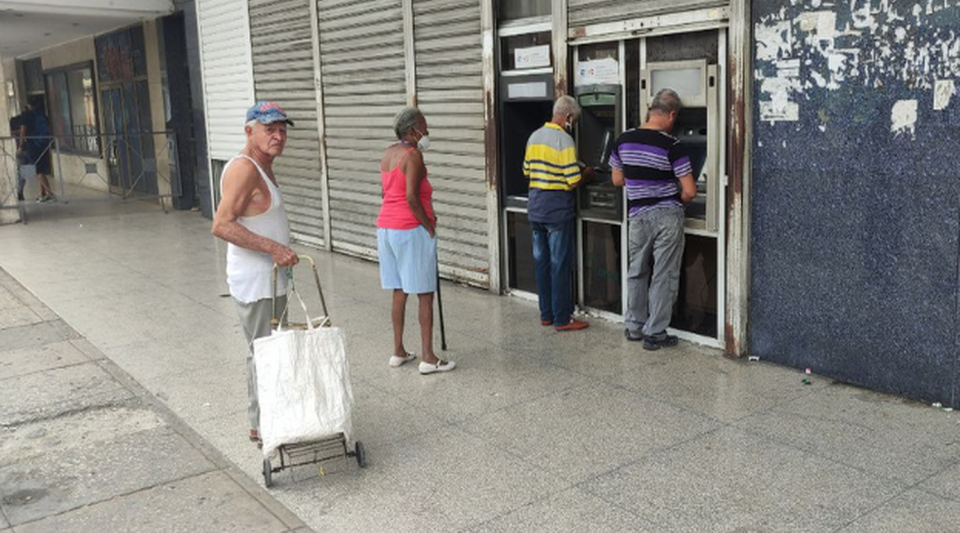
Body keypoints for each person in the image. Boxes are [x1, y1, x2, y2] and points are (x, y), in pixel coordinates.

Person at [211, 101, 299, 443]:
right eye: (269, 130)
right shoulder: (244, 169)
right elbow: (221, 225)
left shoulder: (262, 166)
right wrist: (275, 248)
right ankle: (262, 425)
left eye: (282, 129)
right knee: (263, 351)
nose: (278, 136)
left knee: (271, 349)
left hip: (271, 280)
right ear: (250, 131)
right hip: (257, 282)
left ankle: (270, 417)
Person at [611, 89, 697, 351]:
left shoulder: (622, 140)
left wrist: (641, 183)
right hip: (666, 215)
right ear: (671, 115)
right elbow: (691, 191)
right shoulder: (673, 145)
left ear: (651, 110)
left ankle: (634, 326)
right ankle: (655, 332)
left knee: (636, 271)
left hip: (637, 215)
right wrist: (675, 198)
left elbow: (617, 180)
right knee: (663, 274)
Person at [377, 107, 455, 375]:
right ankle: (429, 358)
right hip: (410, 229)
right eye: (424, 126)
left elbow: (385, 192)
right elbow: (411, 197)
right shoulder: (413, 155)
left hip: (386, 228)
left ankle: (398, 351)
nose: (427, 132)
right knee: (424, 293)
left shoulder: (389, 153)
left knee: (399, 290)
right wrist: (428, 226)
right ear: (412, 131)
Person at [522, 95, 590, 332]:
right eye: (575, 120)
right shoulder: (565, 140)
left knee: (541, 263)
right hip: (557, 211)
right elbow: (572, 180)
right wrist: (587, 174)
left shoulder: (534, 137)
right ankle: (563, 318)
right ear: (568, 117)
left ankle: (546, 315)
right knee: (559, 264)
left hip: (536, 207)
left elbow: (526, 170)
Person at [19, 96, 55, 203]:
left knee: (36, 170)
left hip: (32, 145)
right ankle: (42, 194)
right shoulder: (43, 114)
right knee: (41, 169)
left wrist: (21, 145)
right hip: (43, 145)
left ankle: (49, 193)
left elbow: (23, 131)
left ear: (29, 104)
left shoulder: (26, 115)